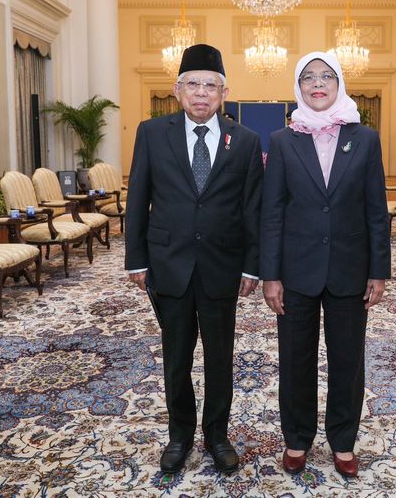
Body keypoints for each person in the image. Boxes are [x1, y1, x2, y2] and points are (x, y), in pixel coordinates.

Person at [125, 44, 264, 474]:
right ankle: (180, 434)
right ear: (177, 89)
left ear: (224, 92)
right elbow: (138, 197)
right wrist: (136, 260)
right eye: (193, 84)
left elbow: (252, 208)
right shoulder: (151, 133)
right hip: (169, 264)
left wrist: (251, 265)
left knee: (220, 358)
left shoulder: (245, 141)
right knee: (176, 356)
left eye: (210, 85)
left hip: (222, 267)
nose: (201, 93)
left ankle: (217, 435)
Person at [260, 52, 391, 478]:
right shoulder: (282, 141)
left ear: (340, 84)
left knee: (347, 360)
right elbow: (273, 211)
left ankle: (343, 441)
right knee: (295, 359)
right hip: (295, 272)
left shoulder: (365, 138)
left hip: (350, 270)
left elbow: (376, 210)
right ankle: (297, 439)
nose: (318, 84)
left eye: (327, 77)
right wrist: (271, 275)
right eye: (309, 78)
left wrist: (379, 270)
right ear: (298, 87)